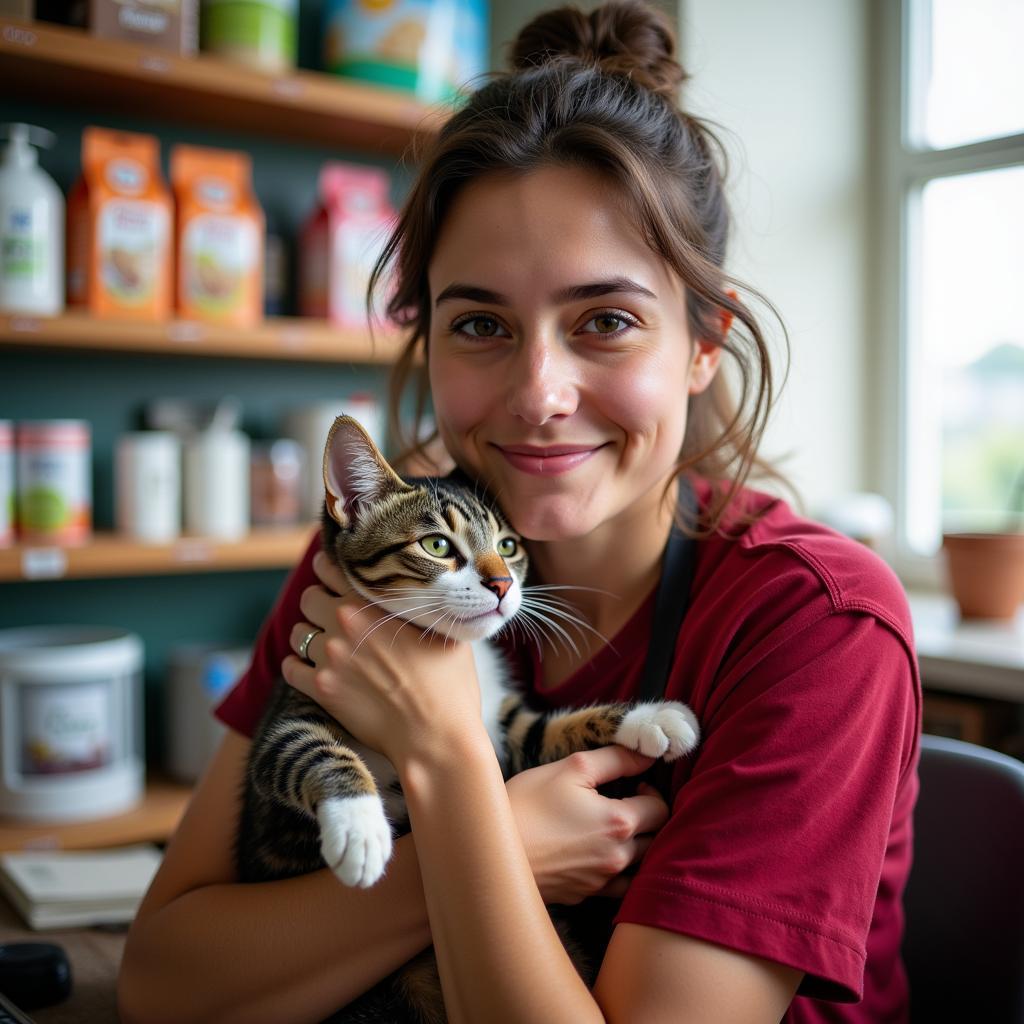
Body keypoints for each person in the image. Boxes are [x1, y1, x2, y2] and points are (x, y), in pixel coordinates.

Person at [117, 3, 920, 1022]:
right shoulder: (379, 559)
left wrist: (451, 766)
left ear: (704, 341)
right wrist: (507, 837)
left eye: (607, 321)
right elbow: (163, 983)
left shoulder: (815, 620)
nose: (539, 391)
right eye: (482, 323)